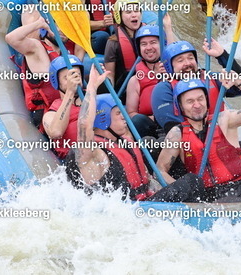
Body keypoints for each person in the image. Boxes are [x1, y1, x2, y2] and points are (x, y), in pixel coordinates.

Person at [64, 66, 205, 202]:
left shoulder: (125, 141)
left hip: (145, 203)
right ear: (103, 118)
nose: (124, 116)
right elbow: (84, 125)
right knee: (192, 182)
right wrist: (92, 87)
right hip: (126, 209)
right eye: (118, 113)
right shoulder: (93, 152)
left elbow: (148, 180)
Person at [150, 39, 241, 175]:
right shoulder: (163, 89)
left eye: (190, 58)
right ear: (169, 67)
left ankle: (237, 179)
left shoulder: (210, 79)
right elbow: (172, 127)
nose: (187, 63)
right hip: (184, 146)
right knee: (159, 145)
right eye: (180, 60)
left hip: (217, 139)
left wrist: (222, 55)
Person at [156, 77, 241, 202]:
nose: (197, 105)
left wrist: (239, 82)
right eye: (190, 101)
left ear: (207, 100)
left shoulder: (225, 120)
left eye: (200, 99)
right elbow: (160, 171)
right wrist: (184, 189)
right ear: (181, 106)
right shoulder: (177, 134)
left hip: (239, 191)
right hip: (206, 198)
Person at [5, 6, 83, 127]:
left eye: (66, 27)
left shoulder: (66, 54)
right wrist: (39, 24)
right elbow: (11, 38)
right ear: (46, 28)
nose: (62, 30)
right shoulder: (37, 48)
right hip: (48, 116)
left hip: (69, 109)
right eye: (58, 25)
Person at [125, 24, 173, 139]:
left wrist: (168, 28)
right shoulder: (135, 81)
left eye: (153, 42)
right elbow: (131, 114)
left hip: (175, 125)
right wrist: (154, 118)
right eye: (144, 44)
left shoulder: (174, 73)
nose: (148, 48)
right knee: (137, 120)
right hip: (151, 129)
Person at [41, 55, 84, 158]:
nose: (74, 80)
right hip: (74, 161)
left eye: (77, 75)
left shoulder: (93, 99)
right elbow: (55, 132)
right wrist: (70, 92)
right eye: (67, 78)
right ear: (57, 82)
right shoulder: (51, 113)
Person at [103, 0, 143, 90]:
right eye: (128, 12)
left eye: (136, 11)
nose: (134, 15)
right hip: (125, 87)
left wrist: (168, 28)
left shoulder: (151, 36)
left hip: (148, 81)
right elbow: (110, 75)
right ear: (119, 16)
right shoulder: (113, 43)